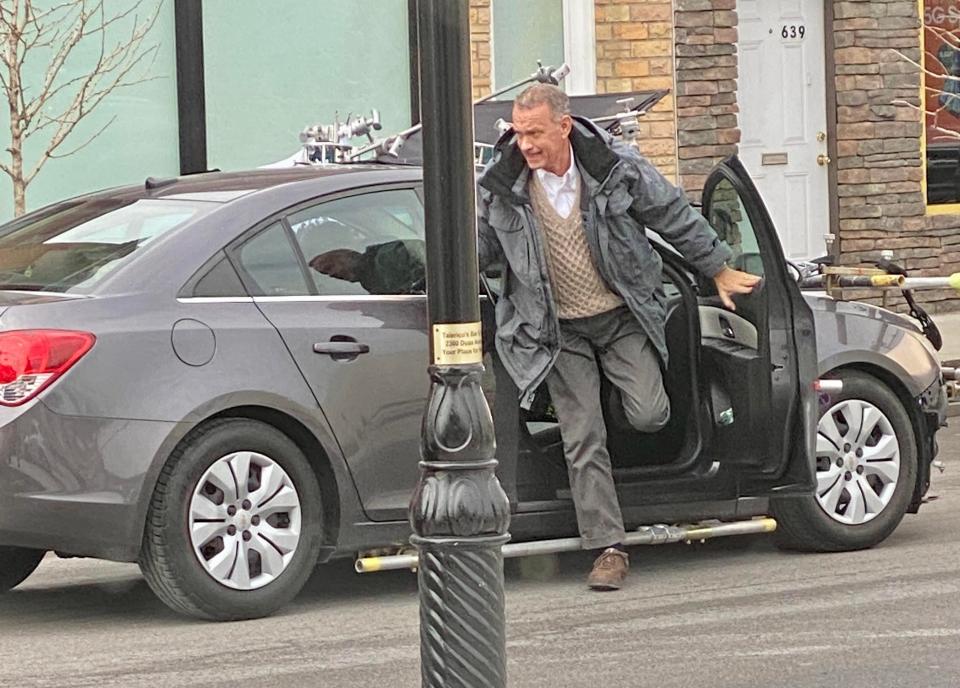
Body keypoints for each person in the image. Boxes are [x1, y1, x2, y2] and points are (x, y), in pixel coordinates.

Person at [476, 83, 760, 591]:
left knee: (648, 414)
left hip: (623, 316)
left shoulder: (617, 167)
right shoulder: (500, 187)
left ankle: (611, 399)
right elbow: (478, 252)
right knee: (582, 438)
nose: (526, 145)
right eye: (518, 134)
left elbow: (671, 213)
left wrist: (716, 267)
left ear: (563, 127)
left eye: (535, 133)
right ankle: (608, 547)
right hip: (557, 331)